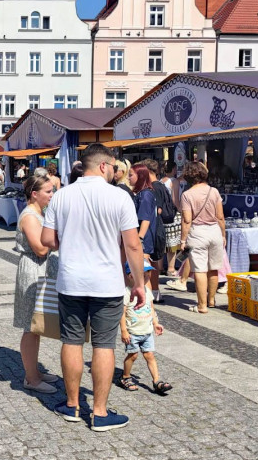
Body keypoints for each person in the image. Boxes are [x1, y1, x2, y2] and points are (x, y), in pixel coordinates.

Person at [41, 143, 145, 432]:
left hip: (71, 280)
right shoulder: (119, 197)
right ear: (102, 166)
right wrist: (139, 284)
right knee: (103, 345)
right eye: (113, 167)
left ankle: (72, 405)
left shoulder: (61, 196)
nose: (115, 172)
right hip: (106, 283)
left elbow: (48, 239)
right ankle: (99, 413)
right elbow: (133, 244)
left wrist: (71, 244)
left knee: (71, 341)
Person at [14, 175, 60, 393]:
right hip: (33, 270)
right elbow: (40, 249)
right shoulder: (30, 216)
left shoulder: (39, 213)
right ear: (34, 194)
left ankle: (35, 372)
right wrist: (56, 239)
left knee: (37, 325)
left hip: (40, 270)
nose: (52, 195)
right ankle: (31, 378)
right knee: (30, 326)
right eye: (48, 191)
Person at [177, 162, 226, 314]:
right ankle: (211, 300)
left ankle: (202, 305)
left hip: (197, 233)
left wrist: (183, 240)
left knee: (199, 270)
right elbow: (220, 217)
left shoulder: (187, 195)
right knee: (213, 268)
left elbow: (186, 220)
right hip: (214, 231)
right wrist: (223, 235)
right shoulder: (214, 191)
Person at [118, 261, 172, 394]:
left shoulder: (147, 291)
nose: (148, 275)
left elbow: (151, 309)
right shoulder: (126, 293)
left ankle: (157, 381)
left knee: (150, 355)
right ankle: (125, 377)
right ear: (131, 275)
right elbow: (122, 313)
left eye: (148, 272)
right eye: (144, 273)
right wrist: (124, 330)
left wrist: (155, 323)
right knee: (133, 355)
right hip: (133, 332)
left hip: (147, 331)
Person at [130, 164, 163, 303]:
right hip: (144, 239)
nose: (129, 178)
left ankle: (147, 304)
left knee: (143, 273)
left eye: (131, 175)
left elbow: (145, 219)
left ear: (140, 176)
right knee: (142, 272)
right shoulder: (144, 193)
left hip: (144, 240)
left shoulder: (145, 195)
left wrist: (139, 238)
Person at [160, 160, 184, 279]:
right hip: (173, 214)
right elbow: (175, 200)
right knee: (172, 243)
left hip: (162, 214)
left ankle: (160, 267)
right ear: (173, 169)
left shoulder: (160, 181)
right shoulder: (174, 181)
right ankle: (171, 268)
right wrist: (181, 210)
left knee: (163, 242)